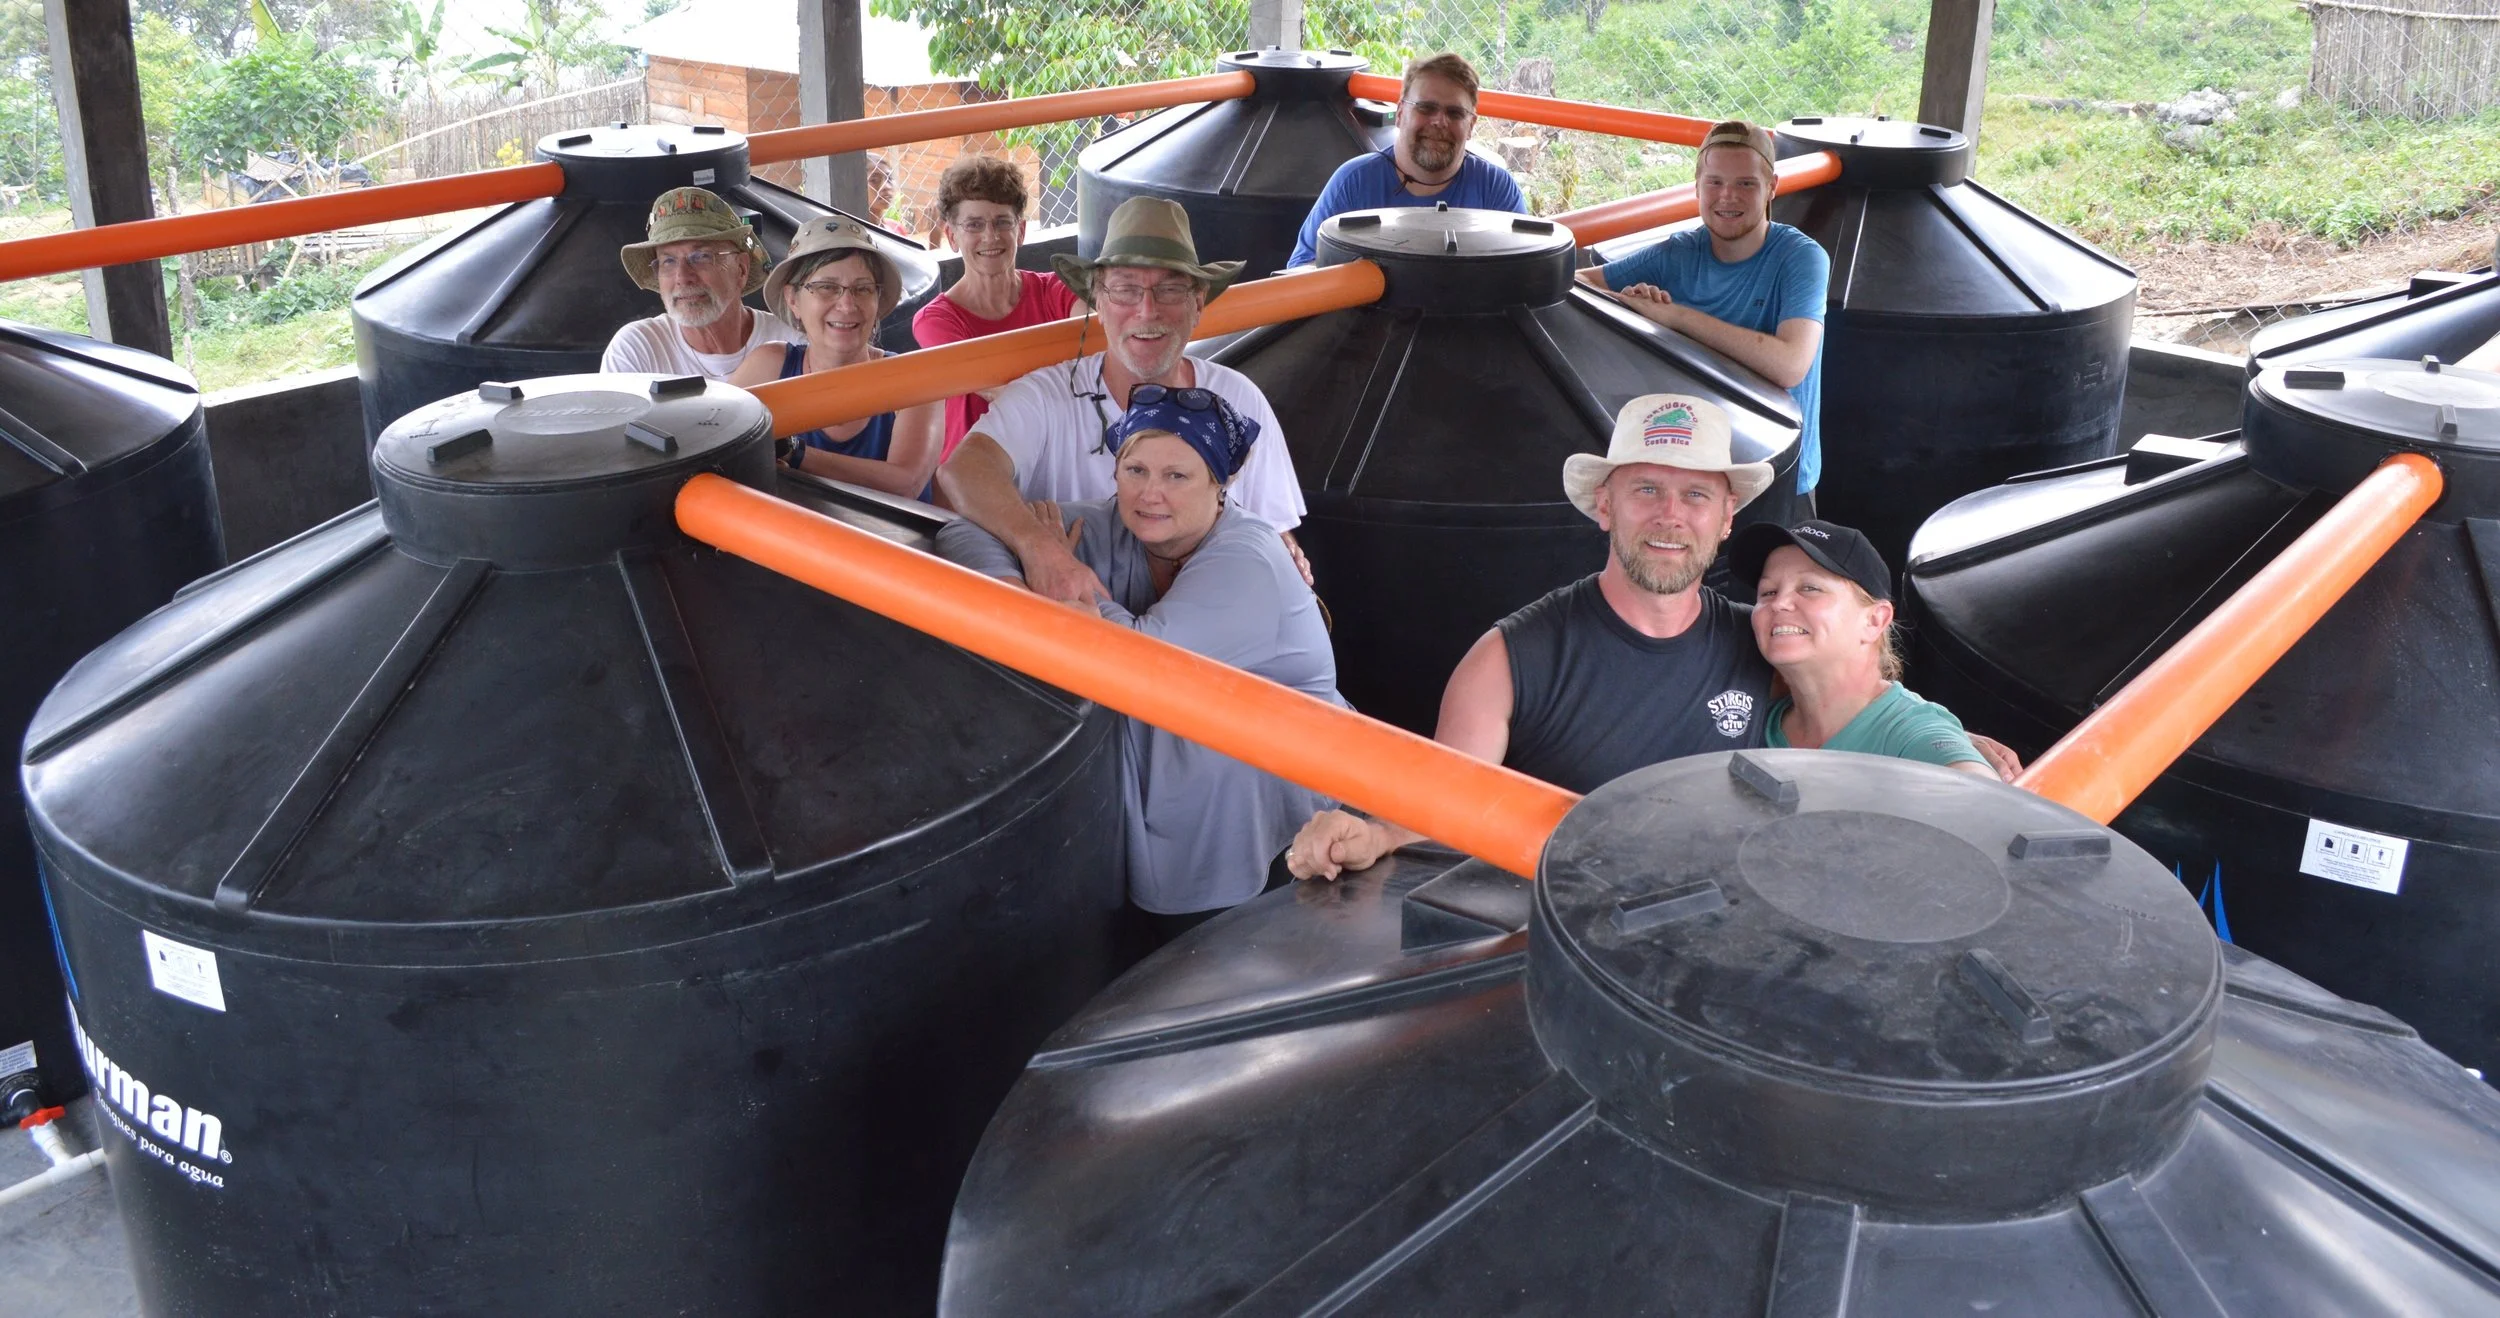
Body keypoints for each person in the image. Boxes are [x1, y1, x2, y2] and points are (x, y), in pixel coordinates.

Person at [1284, 393, 1777, 879]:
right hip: (1570, 939)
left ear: (1726, 517)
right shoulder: (1510, 659)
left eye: (1696, 494)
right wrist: (1374, 835)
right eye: (1646, 489)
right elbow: (1439, 805)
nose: (1670, 514)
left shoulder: (1765, 646)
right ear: (1605, 506)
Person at [936, 388, 1339, 941]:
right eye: (1135, 469)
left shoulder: (1251, 558)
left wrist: (1067, 593)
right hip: (1155, 809)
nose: (1150, 494)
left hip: (1275, 843)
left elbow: (1137, 661)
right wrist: (1035, 561)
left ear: (1221, 484)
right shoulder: (1108, 529)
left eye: (1178, 476)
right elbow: (962, 530)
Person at [936, 196, 1309, 604]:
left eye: (1169, 289)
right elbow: (964, 468)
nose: (1147, 311)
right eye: (1126, 290)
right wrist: (1037, 548)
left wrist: (1281, 552)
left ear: (1197, 303)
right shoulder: (1046, 395)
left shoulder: (1240, 399)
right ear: (1098, 300)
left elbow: (1271, 528)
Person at [1575, 121, 1828, 524]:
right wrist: (1630, 304)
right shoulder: (1678, 252)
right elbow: (1575, 285)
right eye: (1714, 182)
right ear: (1696, 187)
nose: (1727, 197)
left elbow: (1790, 365)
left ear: (1772, 187)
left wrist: (1674, 317)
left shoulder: (1799, 257)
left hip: (1776, 470)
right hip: (1689, 471)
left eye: (1746, 184)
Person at [1728, 519, 1992, 773]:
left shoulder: (1911, 733)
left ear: (1875, 620)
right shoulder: (1745, 720)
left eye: (1809, 588)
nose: (1780, 602)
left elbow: (1981, 797)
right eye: (1768, 592)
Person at [729, 216, 943, 500]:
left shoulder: (914, 378)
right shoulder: (769, 365)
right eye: (826, 287)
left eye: (862, 288)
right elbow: (714, 441)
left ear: (877, 301)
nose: (846, 304)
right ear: (793, 299)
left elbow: (905, 483)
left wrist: (793, 452)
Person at [912, 155, 1084, 462]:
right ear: (952, 236)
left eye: (1002, 222)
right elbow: (998, 390)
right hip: (978, 473)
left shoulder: (1055, 291)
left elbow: (1099, 338)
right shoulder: (936, 320)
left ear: (1021, 231)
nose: (990, 236)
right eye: (974, 225)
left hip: (1058, 459)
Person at [1285, 53, 1527, 268]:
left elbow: (1526, 274)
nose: (1439, 122)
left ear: (1471, 125)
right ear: (1400, 114)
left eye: (1455, 113)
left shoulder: (1496, 189)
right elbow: (1302, 269)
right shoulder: (1354, 182)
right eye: (1426, 108)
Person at [603, 186, 804, 378]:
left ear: (741, 269)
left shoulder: (794, 341)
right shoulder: (636, 350)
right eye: (668, 261)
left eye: (701, 257)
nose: (682, 277)